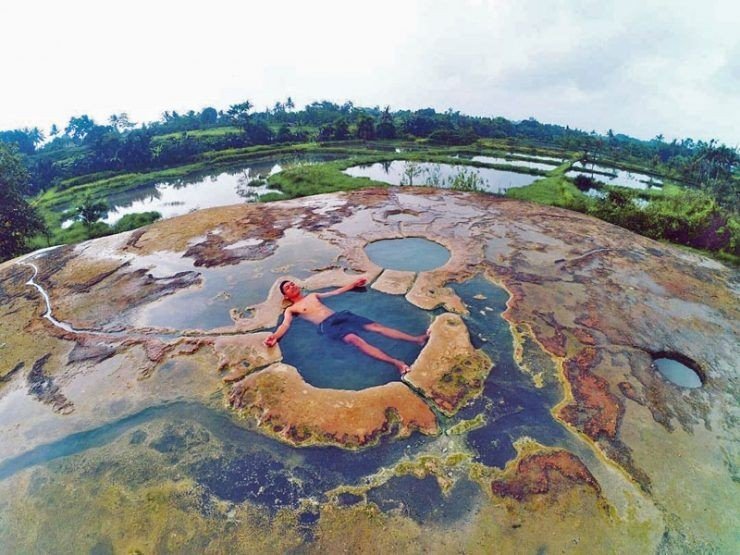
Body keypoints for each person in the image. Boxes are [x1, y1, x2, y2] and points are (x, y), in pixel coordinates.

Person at [264, 278, 428, 374]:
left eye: (292, 284)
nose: (292, 286)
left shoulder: (313, 295)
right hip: (326, 326)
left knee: (376, 326)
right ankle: (396, 363)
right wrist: (275, 337)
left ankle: (416, 339)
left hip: (340, 315)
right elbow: (285, 325)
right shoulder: (291, 309)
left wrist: (353, 285)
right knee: (355, 340)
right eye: (288, 287)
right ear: (286, 295)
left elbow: (335, 293)